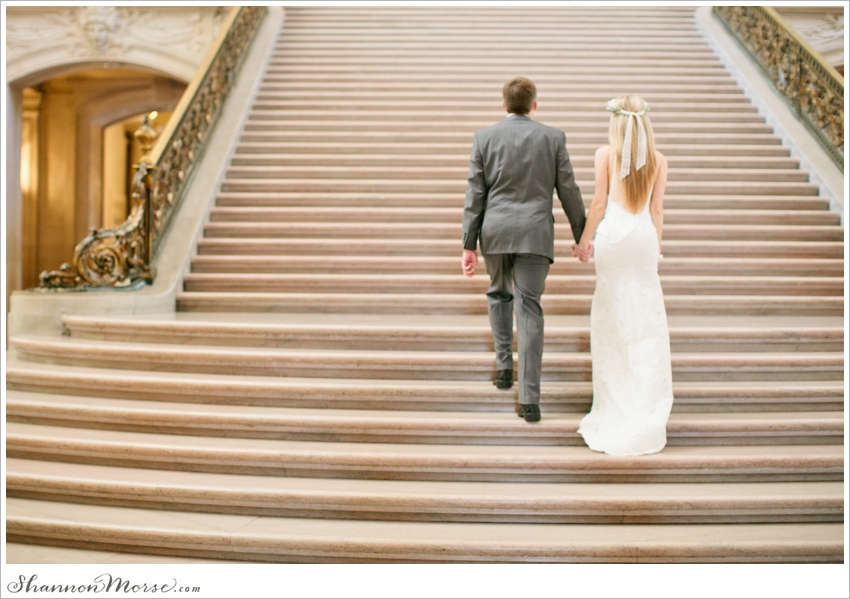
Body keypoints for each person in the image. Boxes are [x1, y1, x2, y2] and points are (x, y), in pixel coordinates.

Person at [461, 77, 586, 423]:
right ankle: (529, 399)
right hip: (534, 234)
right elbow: (569, 190)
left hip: (495, 232)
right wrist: (582, 234)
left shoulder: (484, 138)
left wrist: (468, 244)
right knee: (529, 308)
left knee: (499, 294)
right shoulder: (553, 137)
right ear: (534, 105)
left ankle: (504, 366)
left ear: (503, 105)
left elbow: (475, 194)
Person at [574, 94, 674, 456]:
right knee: (645, 320)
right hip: (643, 238)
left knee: (612, 317)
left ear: (616, 123)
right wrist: (656, 248)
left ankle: (615, 401)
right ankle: (646, 405)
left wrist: (584, 242)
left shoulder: (605, 154)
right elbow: (657, 209)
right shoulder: (659, 160)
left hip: (614, 237)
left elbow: (599, 204)